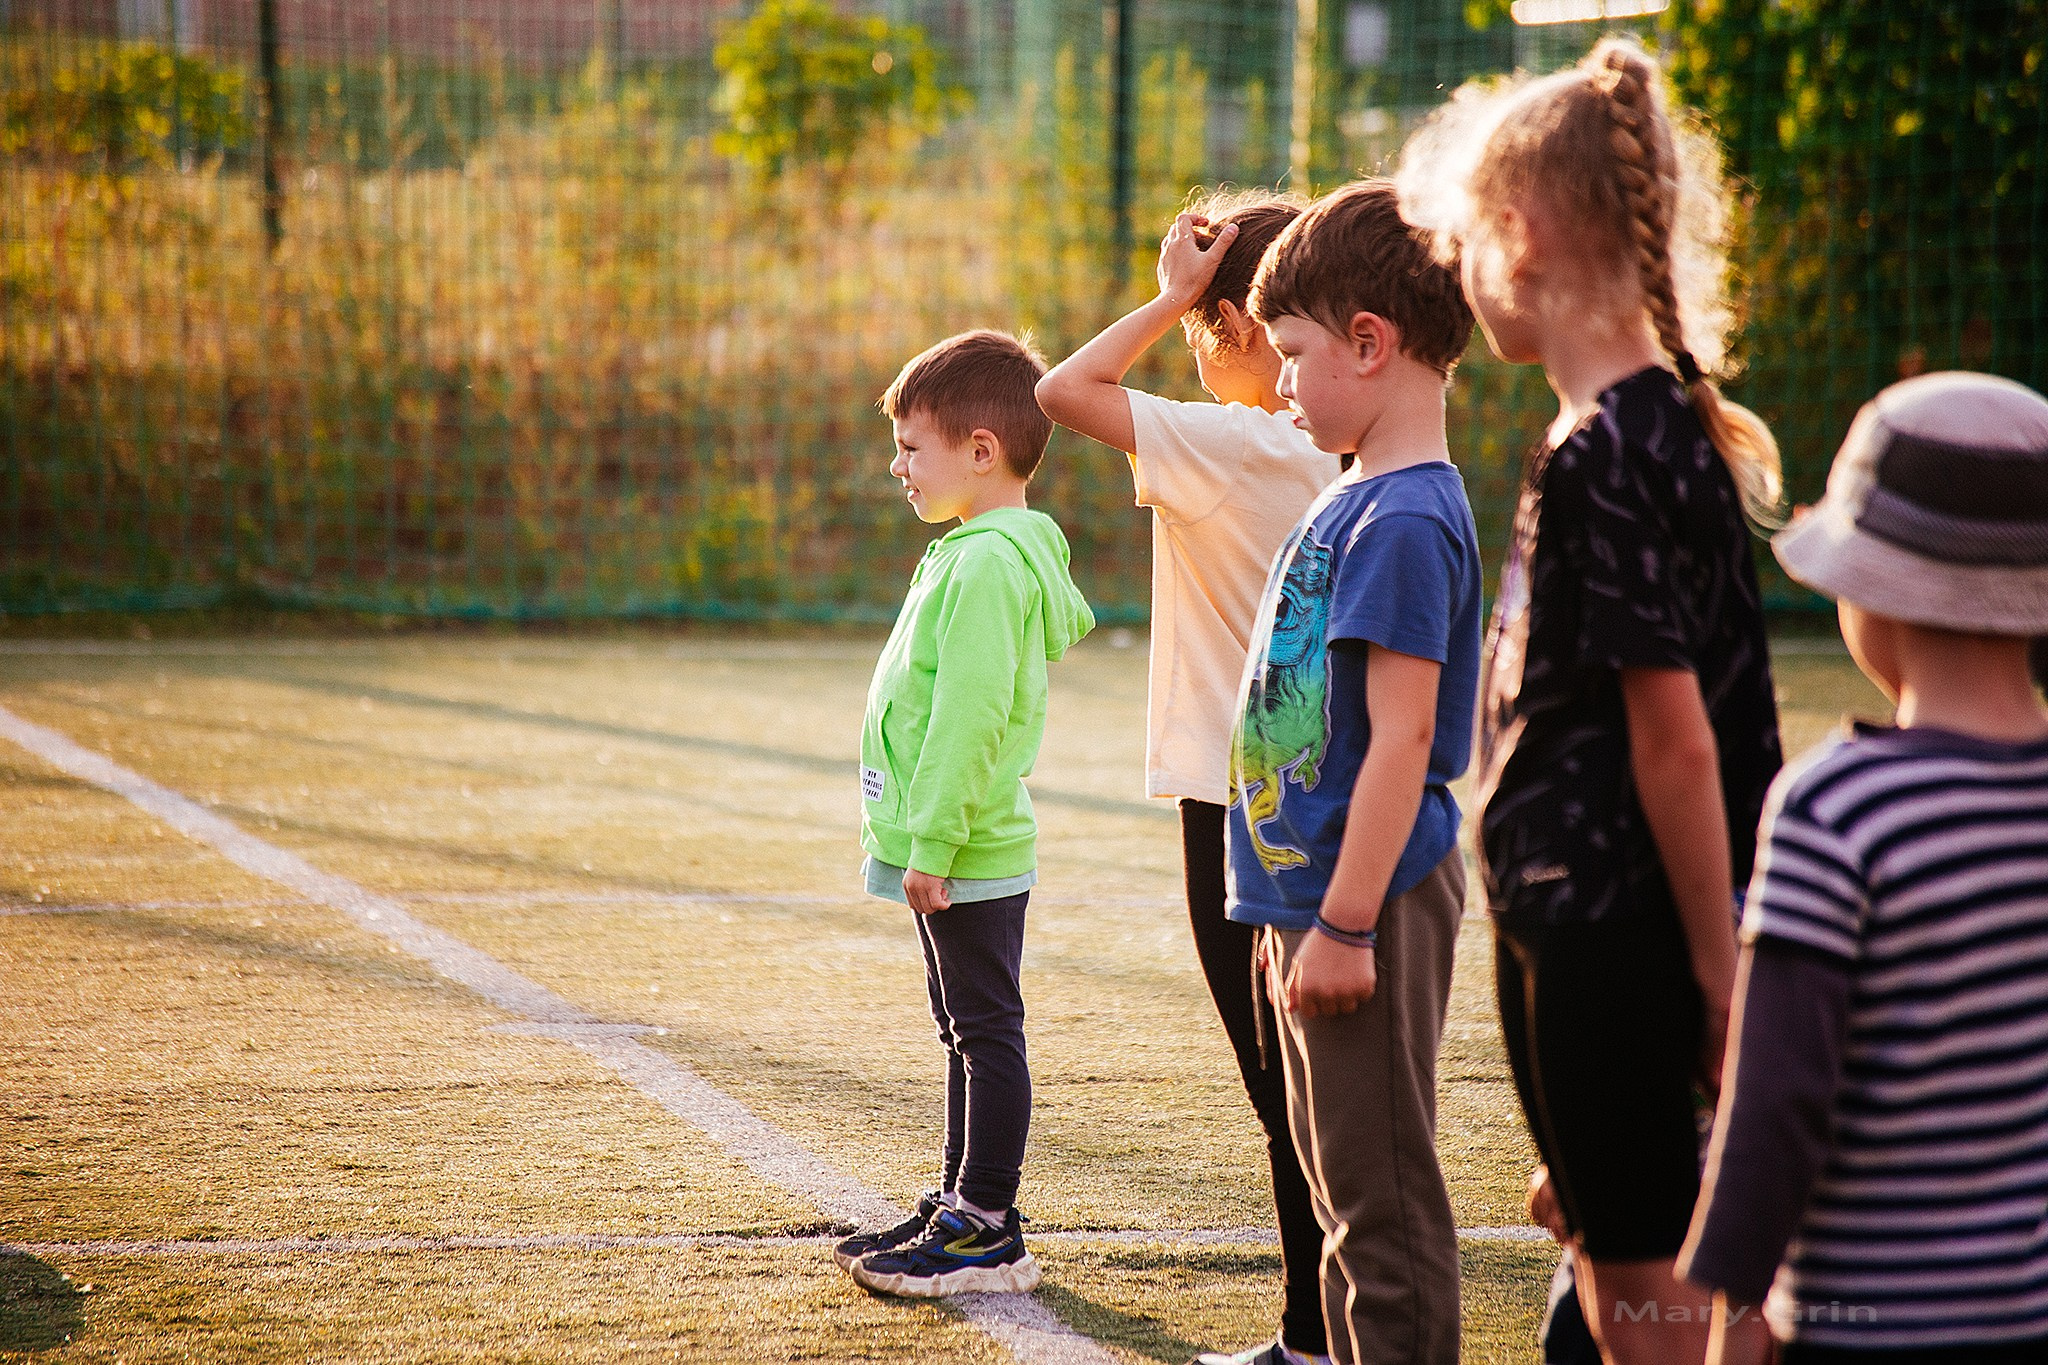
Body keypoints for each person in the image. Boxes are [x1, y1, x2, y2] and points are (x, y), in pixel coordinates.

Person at [1396, 36, 1784, 1365]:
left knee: (1648, 1314)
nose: (1461, 271)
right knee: (1638, 1272)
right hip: (1589, 937)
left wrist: (1720, 985)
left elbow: (1677, 743)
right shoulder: (1634, 429)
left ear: (1519, 233)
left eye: (1465, 241)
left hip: (1615, 937)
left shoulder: (1610, 452)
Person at [1680, 372, 2048, 1364]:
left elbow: (1775, 1103)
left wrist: (1735, 1313)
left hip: (1863, 1321)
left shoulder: (1836, 807)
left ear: (1872, 591)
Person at [1036, 191, 1339, 1365]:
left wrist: (1168, 294)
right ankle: (1316, 1331)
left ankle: (1315, 1339)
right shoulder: (1325, 446)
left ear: (1239, 325)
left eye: (1207, 326)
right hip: (1309, 787)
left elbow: (1063, 392)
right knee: (1305, 1087)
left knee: (1281, 1090)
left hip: (1237, 802)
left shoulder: (1236, 446)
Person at [1230, 178, 1481, 1365]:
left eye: (1290, 354)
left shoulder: (1402, 522)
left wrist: (1340, 922)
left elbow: (1400, 740)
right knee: (1339, 1199)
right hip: (1314, 903)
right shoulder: (1358, 497)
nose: (1279, 382)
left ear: (1368, 344)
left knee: (1378, 1210)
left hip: (1360, 904)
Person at [834, 329, 1095, 1297]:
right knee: (962, 1029)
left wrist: (935, 842)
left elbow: (970, 716)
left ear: (981, 450)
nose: (896, 465)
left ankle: (985, 1222)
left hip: (968, 843)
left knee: (984, 1031)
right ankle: (959, 1200)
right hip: (947, 839)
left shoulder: (987, 563)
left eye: (911, 447)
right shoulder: (973, 551)